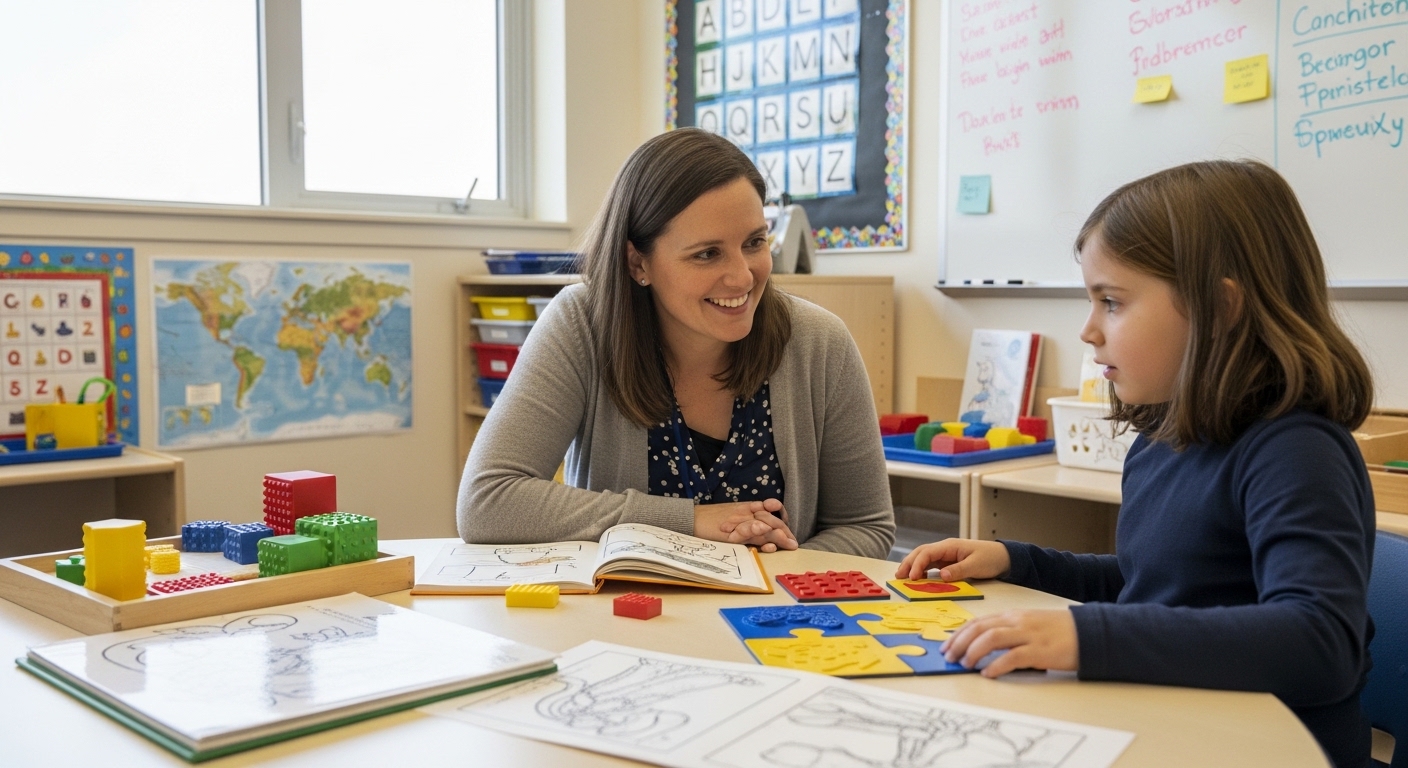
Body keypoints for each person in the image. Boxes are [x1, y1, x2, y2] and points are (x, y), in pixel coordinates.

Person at [898, 160, 1375, 767]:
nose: (1089, 330)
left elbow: (1319, 642)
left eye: (1112, 302)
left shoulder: (1295, 449)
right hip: (1176, 729)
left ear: (1220, 308)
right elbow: (1161, 585)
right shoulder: (1163, 437)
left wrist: (1085, 636)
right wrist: (1019, 562)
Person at [458, 128, 895, 559]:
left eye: (754, 242)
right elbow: (487, 501)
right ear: (638, 262)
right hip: (622, 622)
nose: (743, 276)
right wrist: (689, 521)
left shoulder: (820, 343)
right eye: (707, 254)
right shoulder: (582, 325)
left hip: (774, 620)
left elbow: (865, 527)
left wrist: (764, 580)